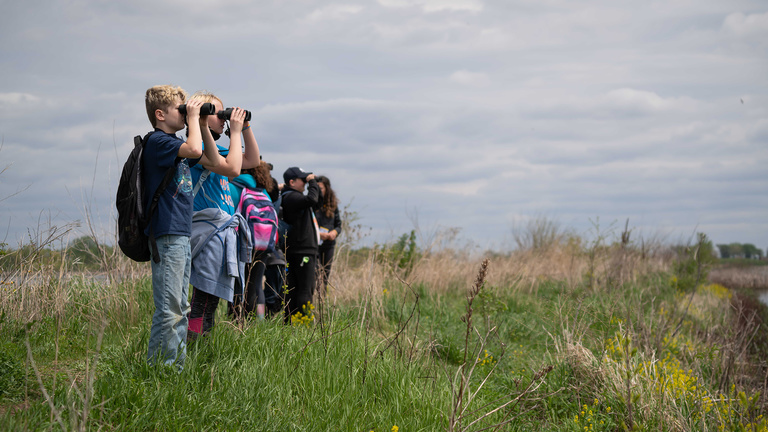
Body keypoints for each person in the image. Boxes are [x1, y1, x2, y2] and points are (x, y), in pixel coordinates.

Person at [142, 85, 218, 368]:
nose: (186, 113)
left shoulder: (174, 144)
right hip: (168, 234)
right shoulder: (159, 142)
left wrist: (200, 123)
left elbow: (209, 157)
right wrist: (194, 120)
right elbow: (195, 148)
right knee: (170, 309)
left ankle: (167, 366)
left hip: (180, 234)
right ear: (160, 115)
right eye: (181, 109)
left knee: (179, 309)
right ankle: (165, 370)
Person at [186, 91, 261, 340]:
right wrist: (235, 132)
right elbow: (233, 167)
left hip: (220, 233)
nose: (223, 118)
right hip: (207, 232)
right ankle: (193, 344)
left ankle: (200, 346)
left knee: (211, 303)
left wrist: (245, 127)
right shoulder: (195, 151)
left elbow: (252, 160)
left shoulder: (215, 149)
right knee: (202, 302)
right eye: (217, 113)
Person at [228, 160, 278, 321]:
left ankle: (236, 322)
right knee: (255, 284)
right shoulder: (264, 192)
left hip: (243, 243)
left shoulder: (234, 187)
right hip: (263, 244)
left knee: (238, 284)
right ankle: (256, 323)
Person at [280, 167, 320, 322]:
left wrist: (314, 184)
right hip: (302, 250)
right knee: (304, 288)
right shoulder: (291, 197)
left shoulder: (292, 197)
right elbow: (312, 200)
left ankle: (292, 322)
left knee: (296, 288)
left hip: (300, 249)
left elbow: (317, 201)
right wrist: (312, 182)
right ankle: (303, 322)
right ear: (292, 182)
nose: (305, 183)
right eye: (302, 180)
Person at [314, 175, 342, 297]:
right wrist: (318, 234)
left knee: (325, 274)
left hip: (328, 244)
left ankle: (323, 300)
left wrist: (333, 233)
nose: (319, 191)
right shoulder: (312, 203)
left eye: (321, 188)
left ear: (327, 189)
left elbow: (339, 225)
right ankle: (313, 298)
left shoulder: (333, 205)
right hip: (314, 243)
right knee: (314, 274)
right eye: (317, 188)